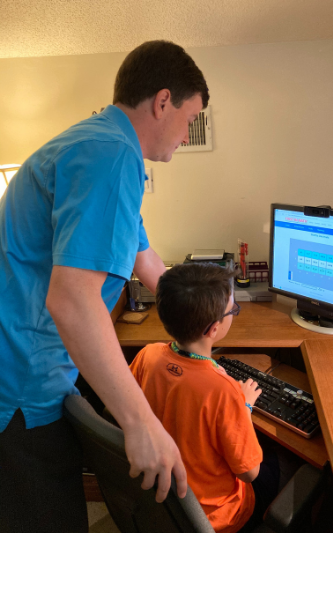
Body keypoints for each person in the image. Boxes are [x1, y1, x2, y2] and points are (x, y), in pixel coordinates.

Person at [0, 40, 209, 532]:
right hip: (23, 386)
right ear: (162, 102)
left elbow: (150, 263)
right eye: (189, 118)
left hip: (32, 368)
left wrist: (206, 316)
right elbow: (72, 301)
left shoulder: (100, 144)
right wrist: (141, 424)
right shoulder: (111, 155)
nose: (186, 134)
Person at [129, 263, 280, 533]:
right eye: (232, 310)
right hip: (215, 518)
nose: (234, 313)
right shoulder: (224, 391)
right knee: (273, 464)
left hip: (162, 498)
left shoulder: (147, 355)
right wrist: (243, 406)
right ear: (213, 330)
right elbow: (248, 473)